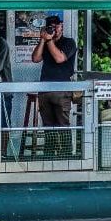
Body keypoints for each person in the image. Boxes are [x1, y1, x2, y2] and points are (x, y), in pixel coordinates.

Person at [31, 15, 77, 154]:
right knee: (48, 126)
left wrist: (49, 40)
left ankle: (67, 156)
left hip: (62, 90)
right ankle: (49, 155)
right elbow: (35, 58)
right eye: (51, 27)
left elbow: (59, 58)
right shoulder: (45, 42)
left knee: (63, 125)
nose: (54, 30)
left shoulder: (69, 42)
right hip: (45, 90)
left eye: (57, 26)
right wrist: (42, 40)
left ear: (62, 26)